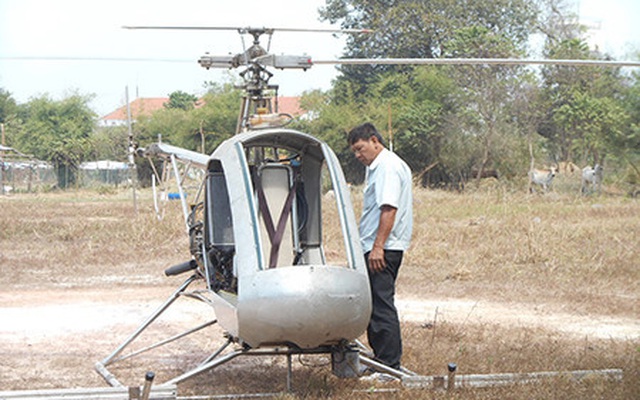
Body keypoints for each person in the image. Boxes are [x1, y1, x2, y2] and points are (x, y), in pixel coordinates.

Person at [348, 122, 413, 372]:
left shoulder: (387, 166)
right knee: (374, 304)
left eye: (360, 149)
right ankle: (381, 361)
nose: (358, 155)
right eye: (354, 151)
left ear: (374, 140)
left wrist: (378, 247)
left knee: (381, 305)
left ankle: (389, 365)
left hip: (383, 248)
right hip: (377, 245)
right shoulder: (378, 167)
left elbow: (389, 208)